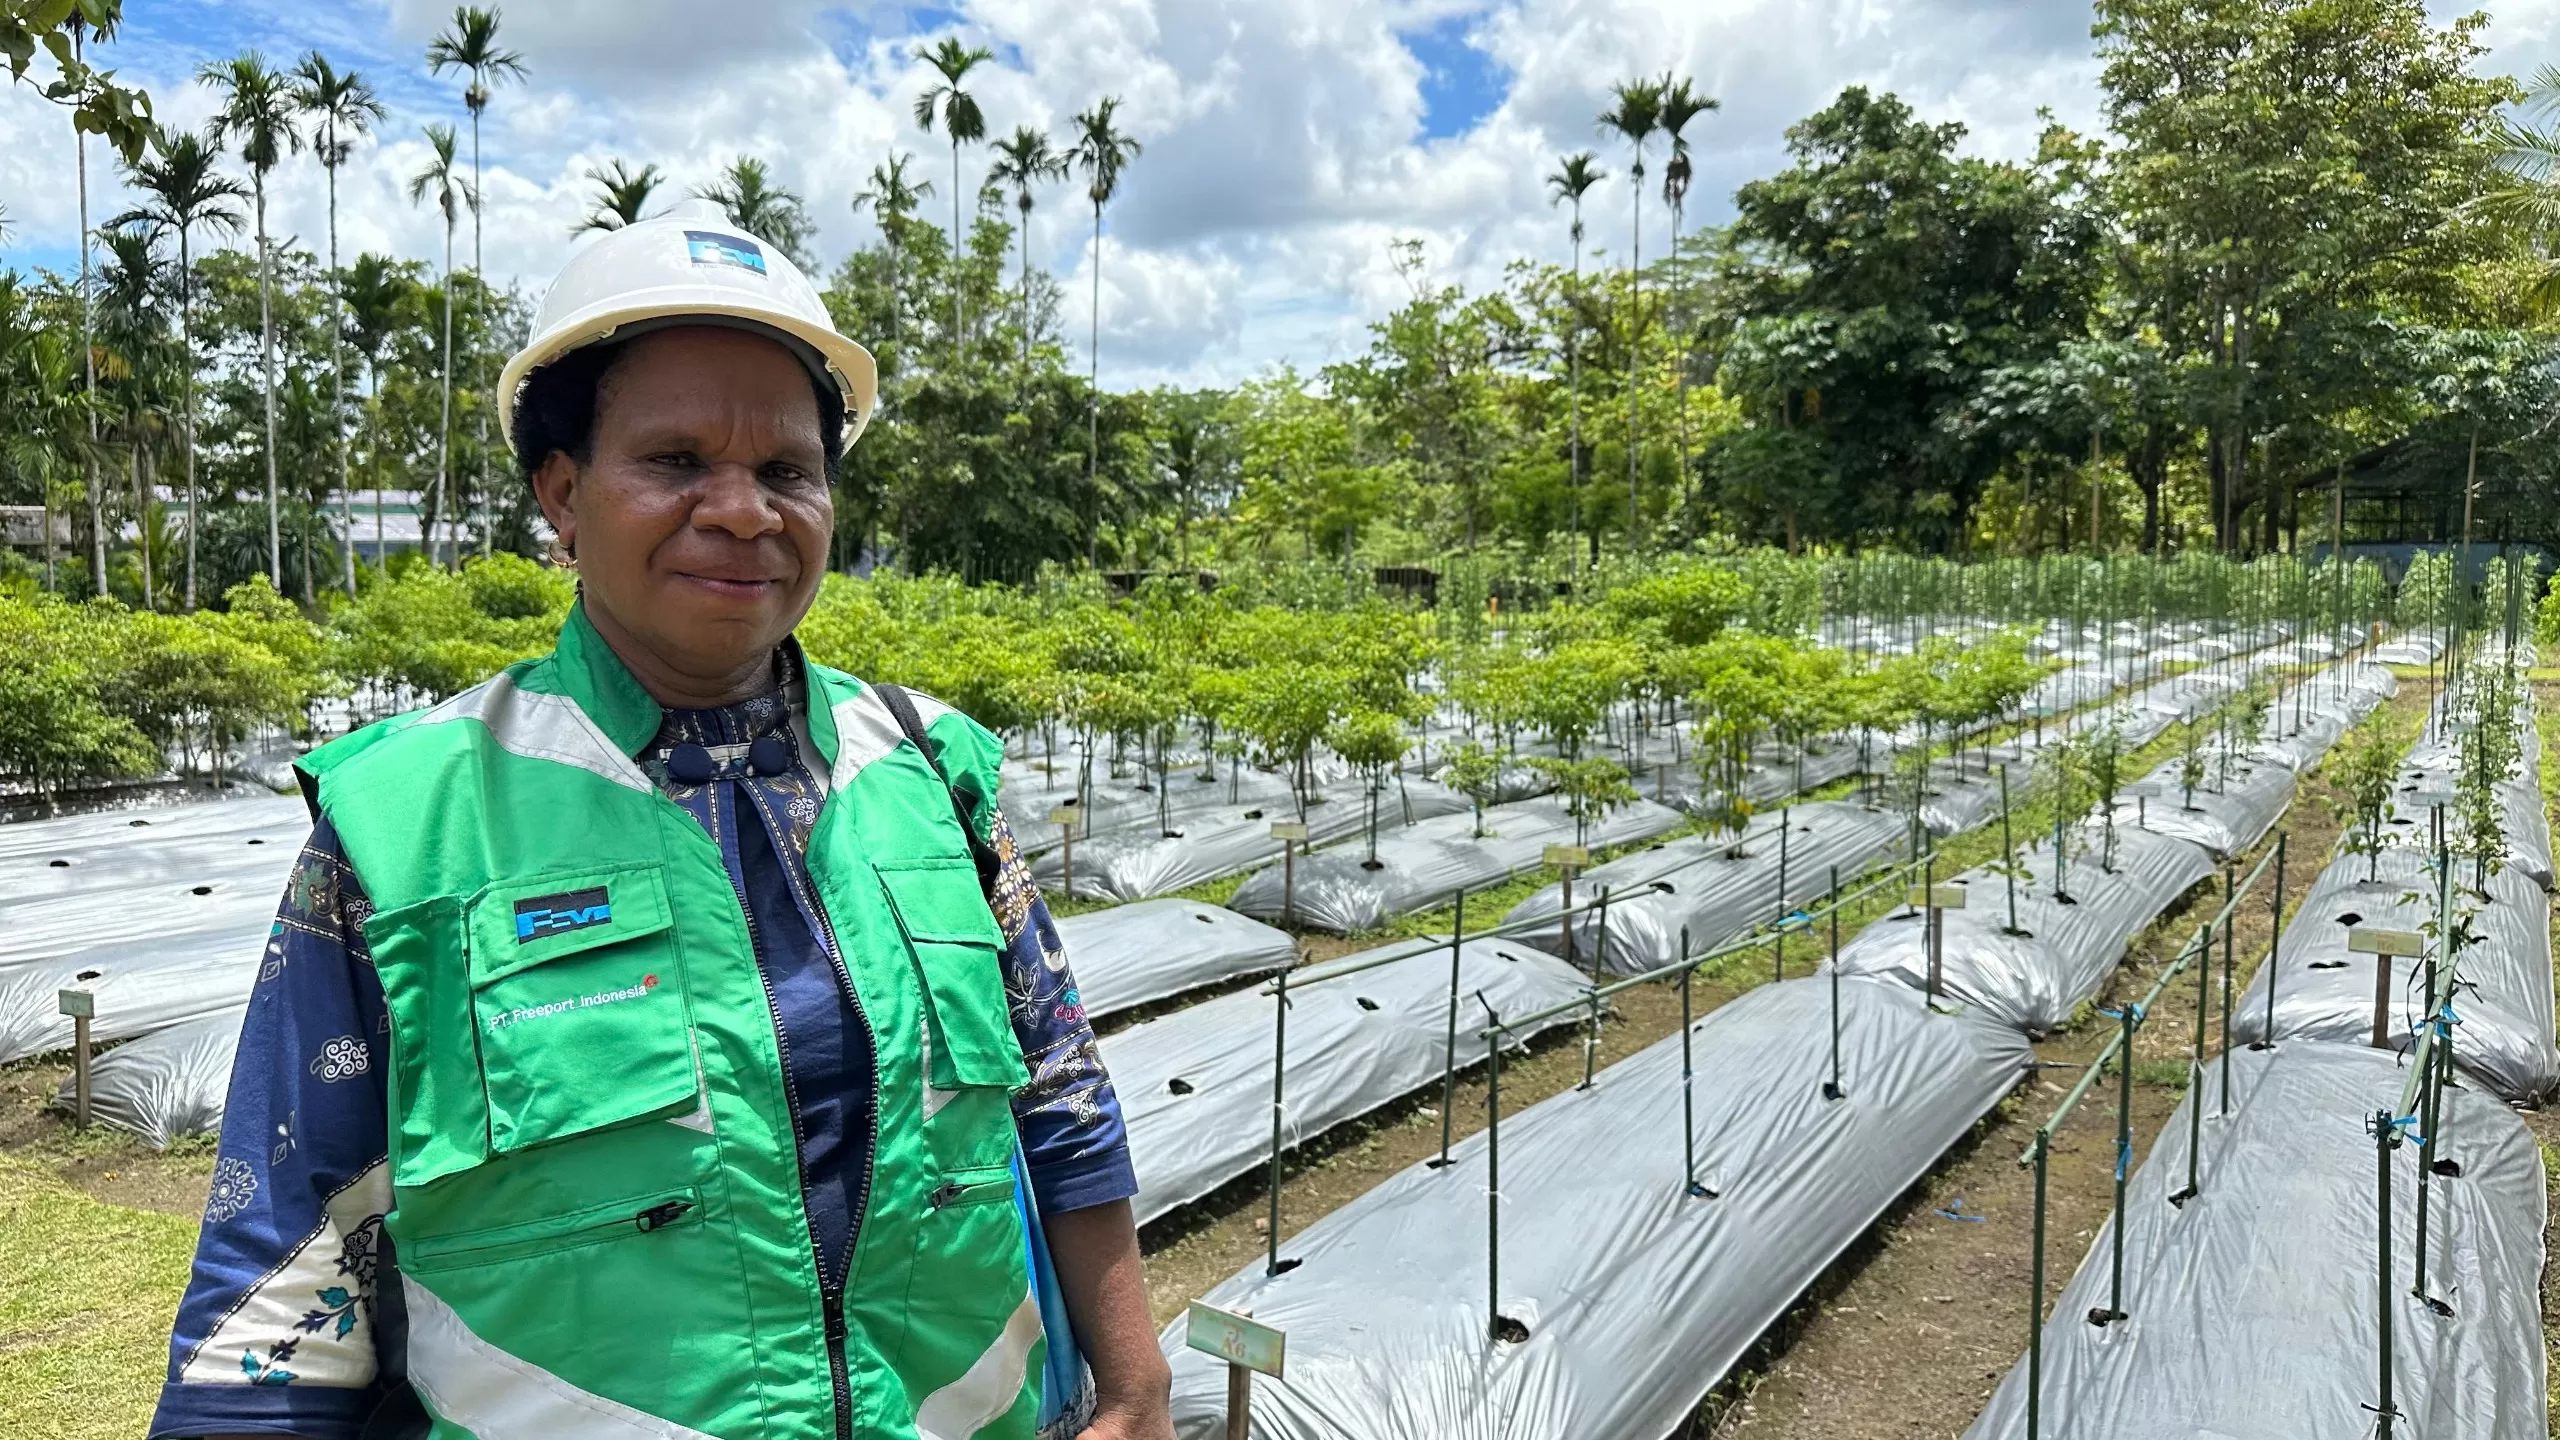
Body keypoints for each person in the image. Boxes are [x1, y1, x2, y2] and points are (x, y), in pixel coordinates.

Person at [149, 200, 1174, 1440]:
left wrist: (1134, 1386)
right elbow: (288, 1256)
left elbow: (1059, 1095)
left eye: (788, 470)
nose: (744, 509)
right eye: (677, 461)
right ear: (564, 495)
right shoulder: (404, 822)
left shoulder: (926, 769)